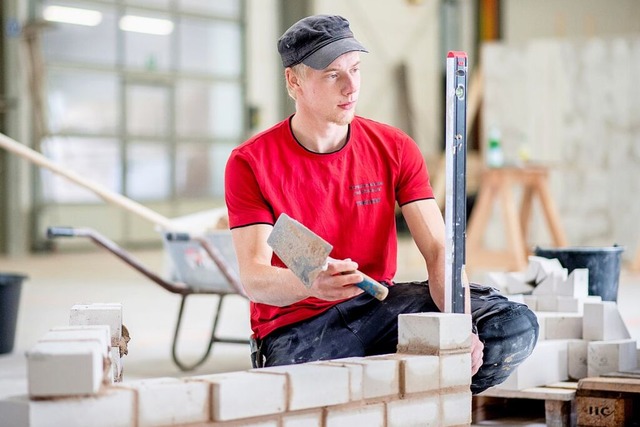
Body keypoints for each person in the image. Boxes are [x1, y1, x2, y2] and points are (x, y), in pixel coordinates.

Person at [224, 14, 538, 394]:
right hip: (300, 329)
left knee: (511, 327)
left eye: (355, 69)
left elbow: (439, 250)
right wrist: (311, 283)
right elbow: (255, 277)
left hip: (378, 305)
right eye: (332, 74)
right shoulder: (250, 163)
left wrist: (461, 328)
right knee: (304, 390)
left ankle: (410, 403)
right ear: (294, 82)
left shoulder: (394, 147)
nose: (351, 86)